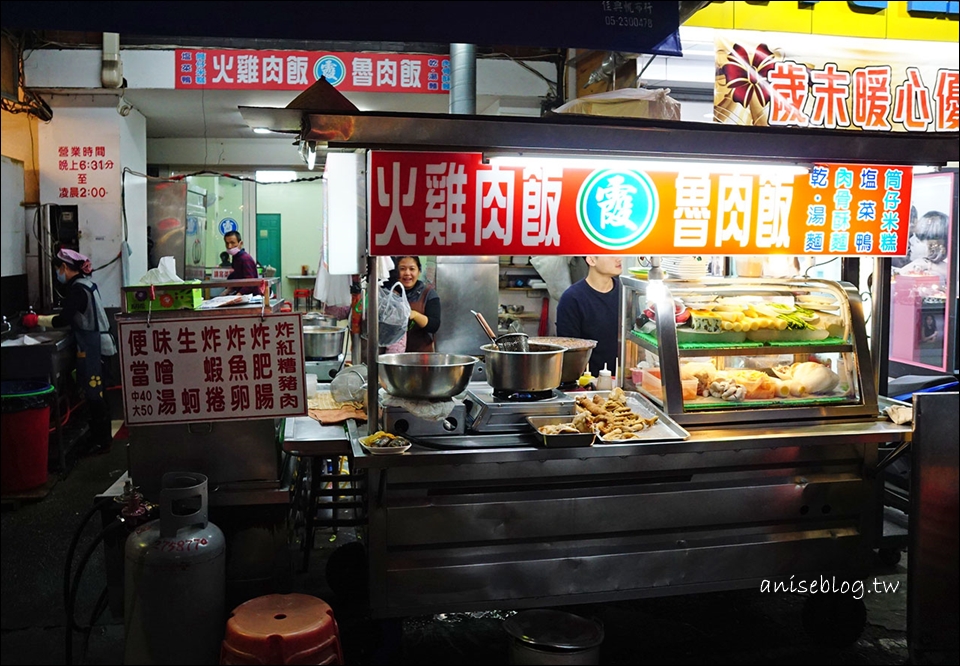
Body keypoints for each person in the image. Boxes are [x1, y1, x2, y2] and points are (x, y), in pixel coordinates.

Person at [34, 249, 117, 454]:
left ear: (64, 267)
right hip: (99, 344)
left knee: (96, 396)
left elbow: (63, 319)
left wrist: (36, 320)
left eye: (57, 269)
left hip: (94, 347)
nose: (57, 274)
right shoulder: (87, 284)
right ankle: (101, 438)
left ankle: (102, 442)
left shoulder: (78, 289)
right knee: (97, 395)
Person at [556, 255, 622, 376]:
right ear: (591, 260)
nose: (619, 258)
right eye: (611, 254)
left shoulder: (624, 293)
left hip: (622, 378)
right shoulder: (572, 298)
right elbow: (569, 351)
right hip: (586, 382)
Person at [394, 256, 441, 352]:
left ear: (419, 271)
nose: (407, 273)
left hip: (420, 357)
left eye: (412, 269)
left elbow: (434, 326)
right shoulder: (388, 293)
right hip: (391, 355)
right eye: (402, 269)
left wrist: (414, 315)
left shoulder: (429, 294)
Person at [222, 231, 261, 295]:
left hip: (250, 296)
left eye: (232, 243)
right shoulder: (236, 258)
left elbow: (250, 281)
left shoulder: (245, 259)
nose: (229, 246)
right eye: (227, 243)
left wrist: (239, 294)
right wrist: (229, 288)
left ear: (241, 243)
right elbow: (237, 274)